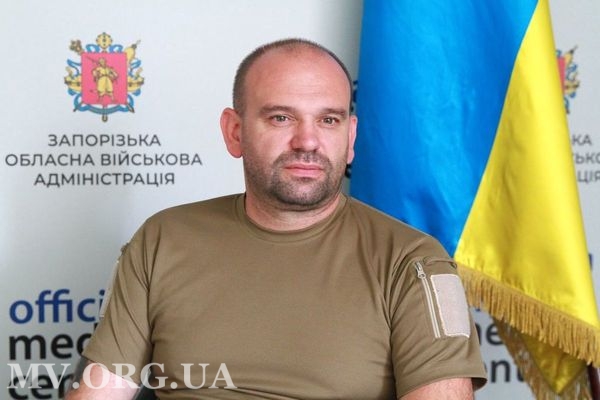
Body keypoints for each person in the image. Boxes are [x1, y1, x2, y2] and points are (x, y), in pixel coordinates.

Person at [66, 38, 487, 400]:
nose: (307, 141)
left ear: (350, 136)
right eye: (281, 118)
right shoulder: (162, 240)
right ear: (235, 131)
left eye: (328, 120)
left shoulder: (413, 263)